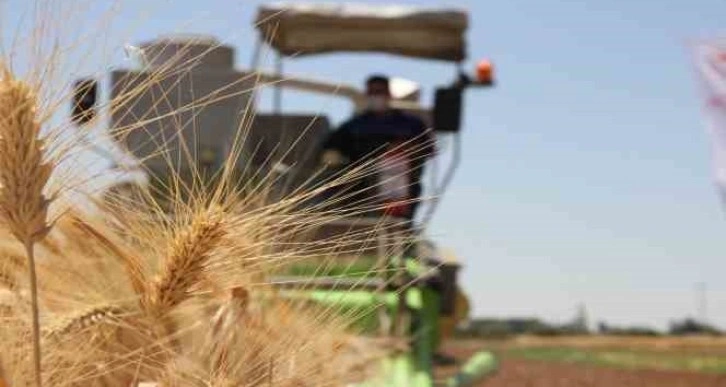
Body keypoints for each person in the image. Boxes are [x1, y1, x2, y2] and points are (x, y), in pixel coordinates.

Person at [320, 74, 436, 220]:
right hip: (361, 189)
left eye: (380, 92)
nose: (376, 97)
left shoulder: (411, 125)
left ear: (389, 94)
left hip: (400, 189)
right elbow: (332, 150)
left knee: (396, 227)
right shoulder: (354, 126)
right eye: (372, 93)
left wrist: (402, 149)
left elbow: (427, 149)